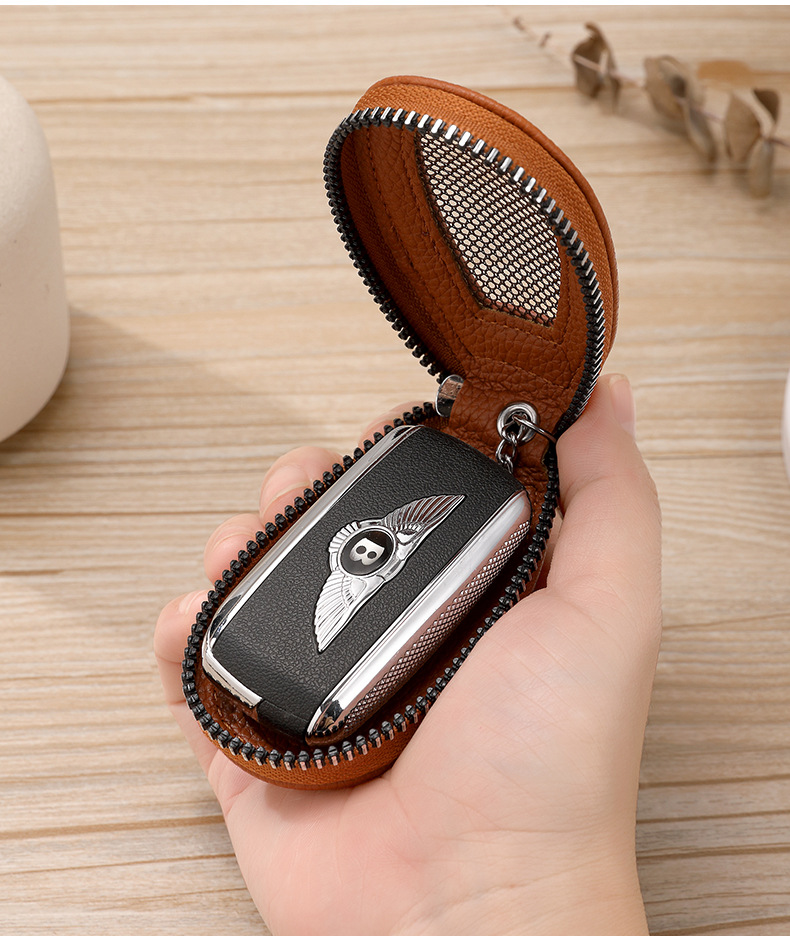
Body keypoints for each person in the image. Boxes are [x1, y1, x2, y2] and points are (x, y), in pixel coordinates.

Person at [154, 373, 662, 935]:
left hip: (314, 699)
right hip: (312, 698)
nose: (369, 552)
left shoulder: (462, 474)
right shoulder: (473, 480)